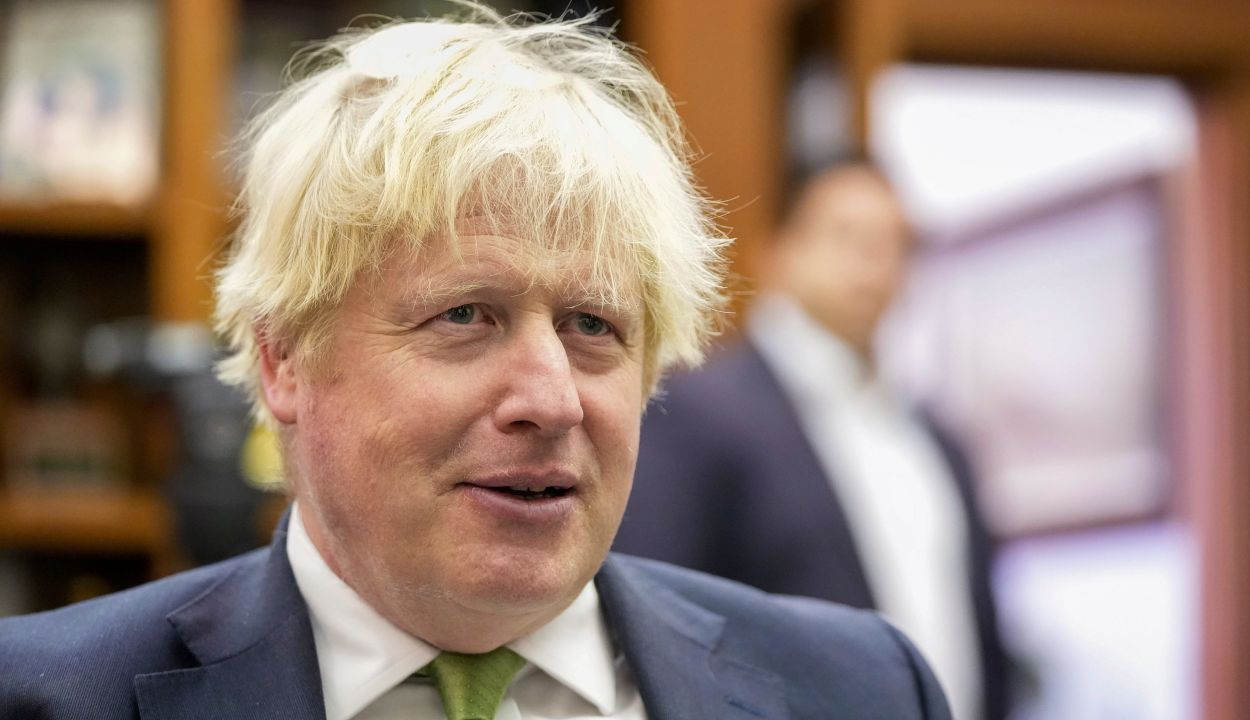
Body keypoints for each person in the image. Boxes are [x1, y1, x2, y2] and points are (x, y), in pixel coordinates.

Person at [0, 10, 952, 720]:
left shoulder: (860, 690)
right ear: (284, 357)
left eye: (592, 325)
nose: (551, 399)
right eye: (465, 316)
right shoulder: (44, 697)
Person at [613, 163, 1009, 720]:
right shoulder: (701, 412)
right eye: (846, 237)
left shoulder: (939, 443)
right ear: (778, 253)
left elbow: (983, 639)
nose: (874, 264)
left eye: (894, 243)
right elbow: (657, 614)